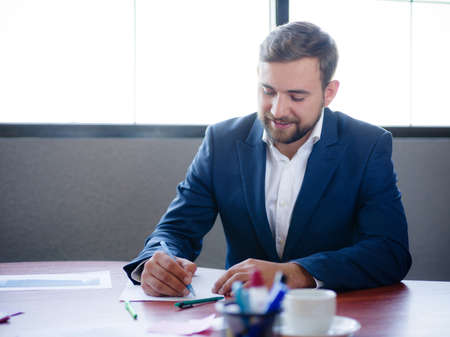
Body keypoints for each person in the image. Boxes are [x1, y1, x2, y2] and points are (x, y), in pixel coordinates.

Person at [123, 21, 411, 296]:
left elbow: (390, 252)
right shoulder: (221, 141)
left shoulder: (368, 145)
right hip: (242, 316)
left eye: (296, 96)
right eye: (268, 91)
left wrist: (295, 273)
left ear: (329, 93)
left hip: (336, 315)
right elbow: (175, 230)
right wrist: (159, 263)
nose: (278, 109)